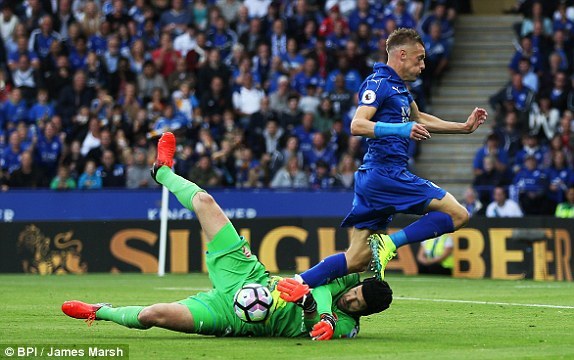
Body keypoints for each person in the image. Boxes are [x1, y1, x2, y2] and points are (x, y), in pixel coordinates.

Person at [61, 132, 393, 340]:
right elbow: (321, 284)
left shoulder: (347, 326)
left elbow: (312, 328)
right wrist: (312, 299)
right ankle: (162, 171)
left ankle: (99, 310)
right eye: (355, 295)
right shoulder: (342, 284)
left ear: (363, 314)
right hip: (250, 278)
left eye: (356, 305)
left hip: (235, 318)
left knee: (152, 316)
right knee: (205, 201)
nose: (350, 301)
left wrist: (316, 315)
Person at [278, 28, 487, 291]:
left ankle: (293, 285)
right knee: (458, 214)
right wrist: (400, 129)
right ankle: (391, 243)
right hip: (386, 174)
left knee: (355, 260)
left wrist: (463, 127)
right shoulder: (378, 84)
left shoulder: (400, 89)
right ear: (401, 54)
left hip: (377, 179)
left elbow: (420, 118)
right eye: (419, 58)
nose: (423, 66)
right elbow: (357, 124)